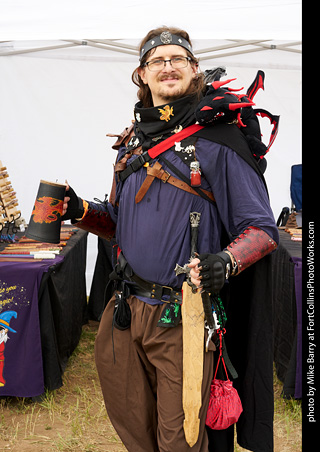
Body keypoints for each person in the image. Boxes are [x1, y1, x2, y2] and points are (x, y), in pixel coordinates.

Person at [62, 26, 279, 452]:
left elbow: (262, 228)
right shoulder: (133, 142)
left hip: (183, 317)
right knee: (135, 429)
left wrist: (226, 261)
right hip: (126, 310)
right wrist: (80, 211)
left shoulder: (217, 141)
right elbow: (121, 222)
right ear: (141, 75)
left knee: (181, 440)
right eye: (156, 60)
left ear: (194, 70)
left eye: (177, 59)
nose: (167, 66)